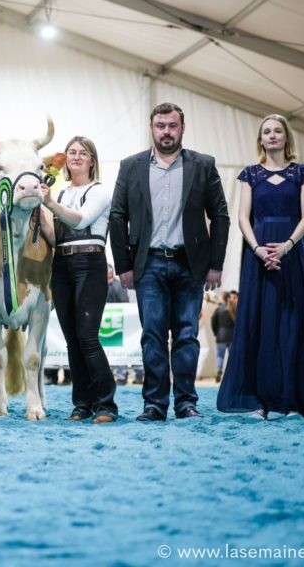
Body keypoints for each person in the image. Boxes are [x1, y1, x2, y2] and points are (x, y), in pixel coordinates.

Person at [110, 102, 230, 421]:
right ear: (151, 128)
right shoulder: (131, 166)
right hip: (147, 264)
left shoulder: (203, 165)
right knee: (152, 335)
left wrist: (216, 265)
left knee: (187, 335)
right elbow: (118, 216)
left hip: (191, 265)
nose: (166, 132)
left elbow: (220, 216)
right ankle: (154, 404)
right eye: (160, 126)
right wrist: (123, 266)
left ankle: (186, 403)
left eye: (172, 126)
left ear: (182, 128)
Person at [217, 114, 304, 418]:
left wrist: (287, 246)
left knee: (290, 321)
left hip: (291, 253)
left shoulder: (301, 172)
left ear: (286, 137)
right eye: (267, 132)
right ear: (260, 139)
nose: (272, 135)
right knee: (257, 322)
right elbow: (242, 217)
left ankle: (289, 399)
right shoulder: (250, 174)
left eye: (277, 131)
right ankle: (259, 400)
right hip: (257, 254)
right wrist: (259, 249)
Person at [40, 136, 117, 424]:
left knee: (87, 338)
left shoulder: (99, 191)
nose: (76, 156)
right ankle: (82, 403)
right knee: (72, 340)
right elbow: (55, 237)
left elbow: (81, 220)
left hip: (90, 264)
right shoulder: (61, 194)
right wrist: (38, 211)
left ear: (92, 161)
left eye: (83, 153)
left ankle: (106, 404)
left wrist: (48, 202)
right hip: (61, 263)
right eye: (71, 152)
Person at [106, 262, 142, 386]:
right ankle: (127, 375)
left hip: (121, 323)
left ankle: (127, 375)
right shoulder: (115, 286)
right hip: (120, 324)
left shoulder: (117, 286)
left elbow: (124, 302)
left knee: (125, 349)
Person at [210, 291, 237, 384]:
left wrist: (215, 333)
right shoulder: (234, 309)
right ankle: (232, 374)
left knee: (220, 355)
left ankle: (219, 371)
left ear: (222, 298)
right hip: (232, 336)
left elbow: (213, 322)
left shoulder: (218, 309)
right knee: (232, 356)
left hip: (220, 336)